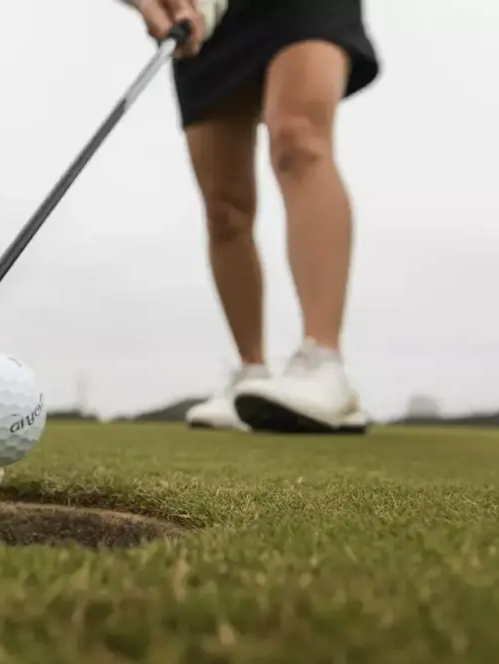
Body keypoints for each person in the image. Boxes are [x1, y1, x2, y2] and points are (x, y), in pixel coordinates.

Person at [122, 0, 380, 433]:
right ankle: (251, 372)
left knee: (299, 139)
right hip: (211, 17)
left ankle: (323, 364)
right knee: (224, 208)